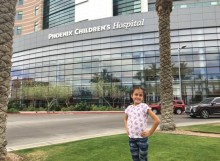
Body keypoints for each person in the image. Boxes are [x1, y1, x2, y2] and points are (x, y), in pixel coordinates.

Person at [124, 86, 160, 161]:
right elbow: (125, 119)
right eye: (136, 94)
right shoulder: (129, 108)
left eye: (140, 95)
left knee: (143, 158)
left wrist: (150, 132)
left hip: (142, 139)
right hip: (132, 138)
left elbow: (157, 120)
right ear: (132, 95)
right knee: (135, 158)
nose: (138, 96)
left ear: (143, 97)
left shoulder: (144, 107)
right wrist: (127, 128)